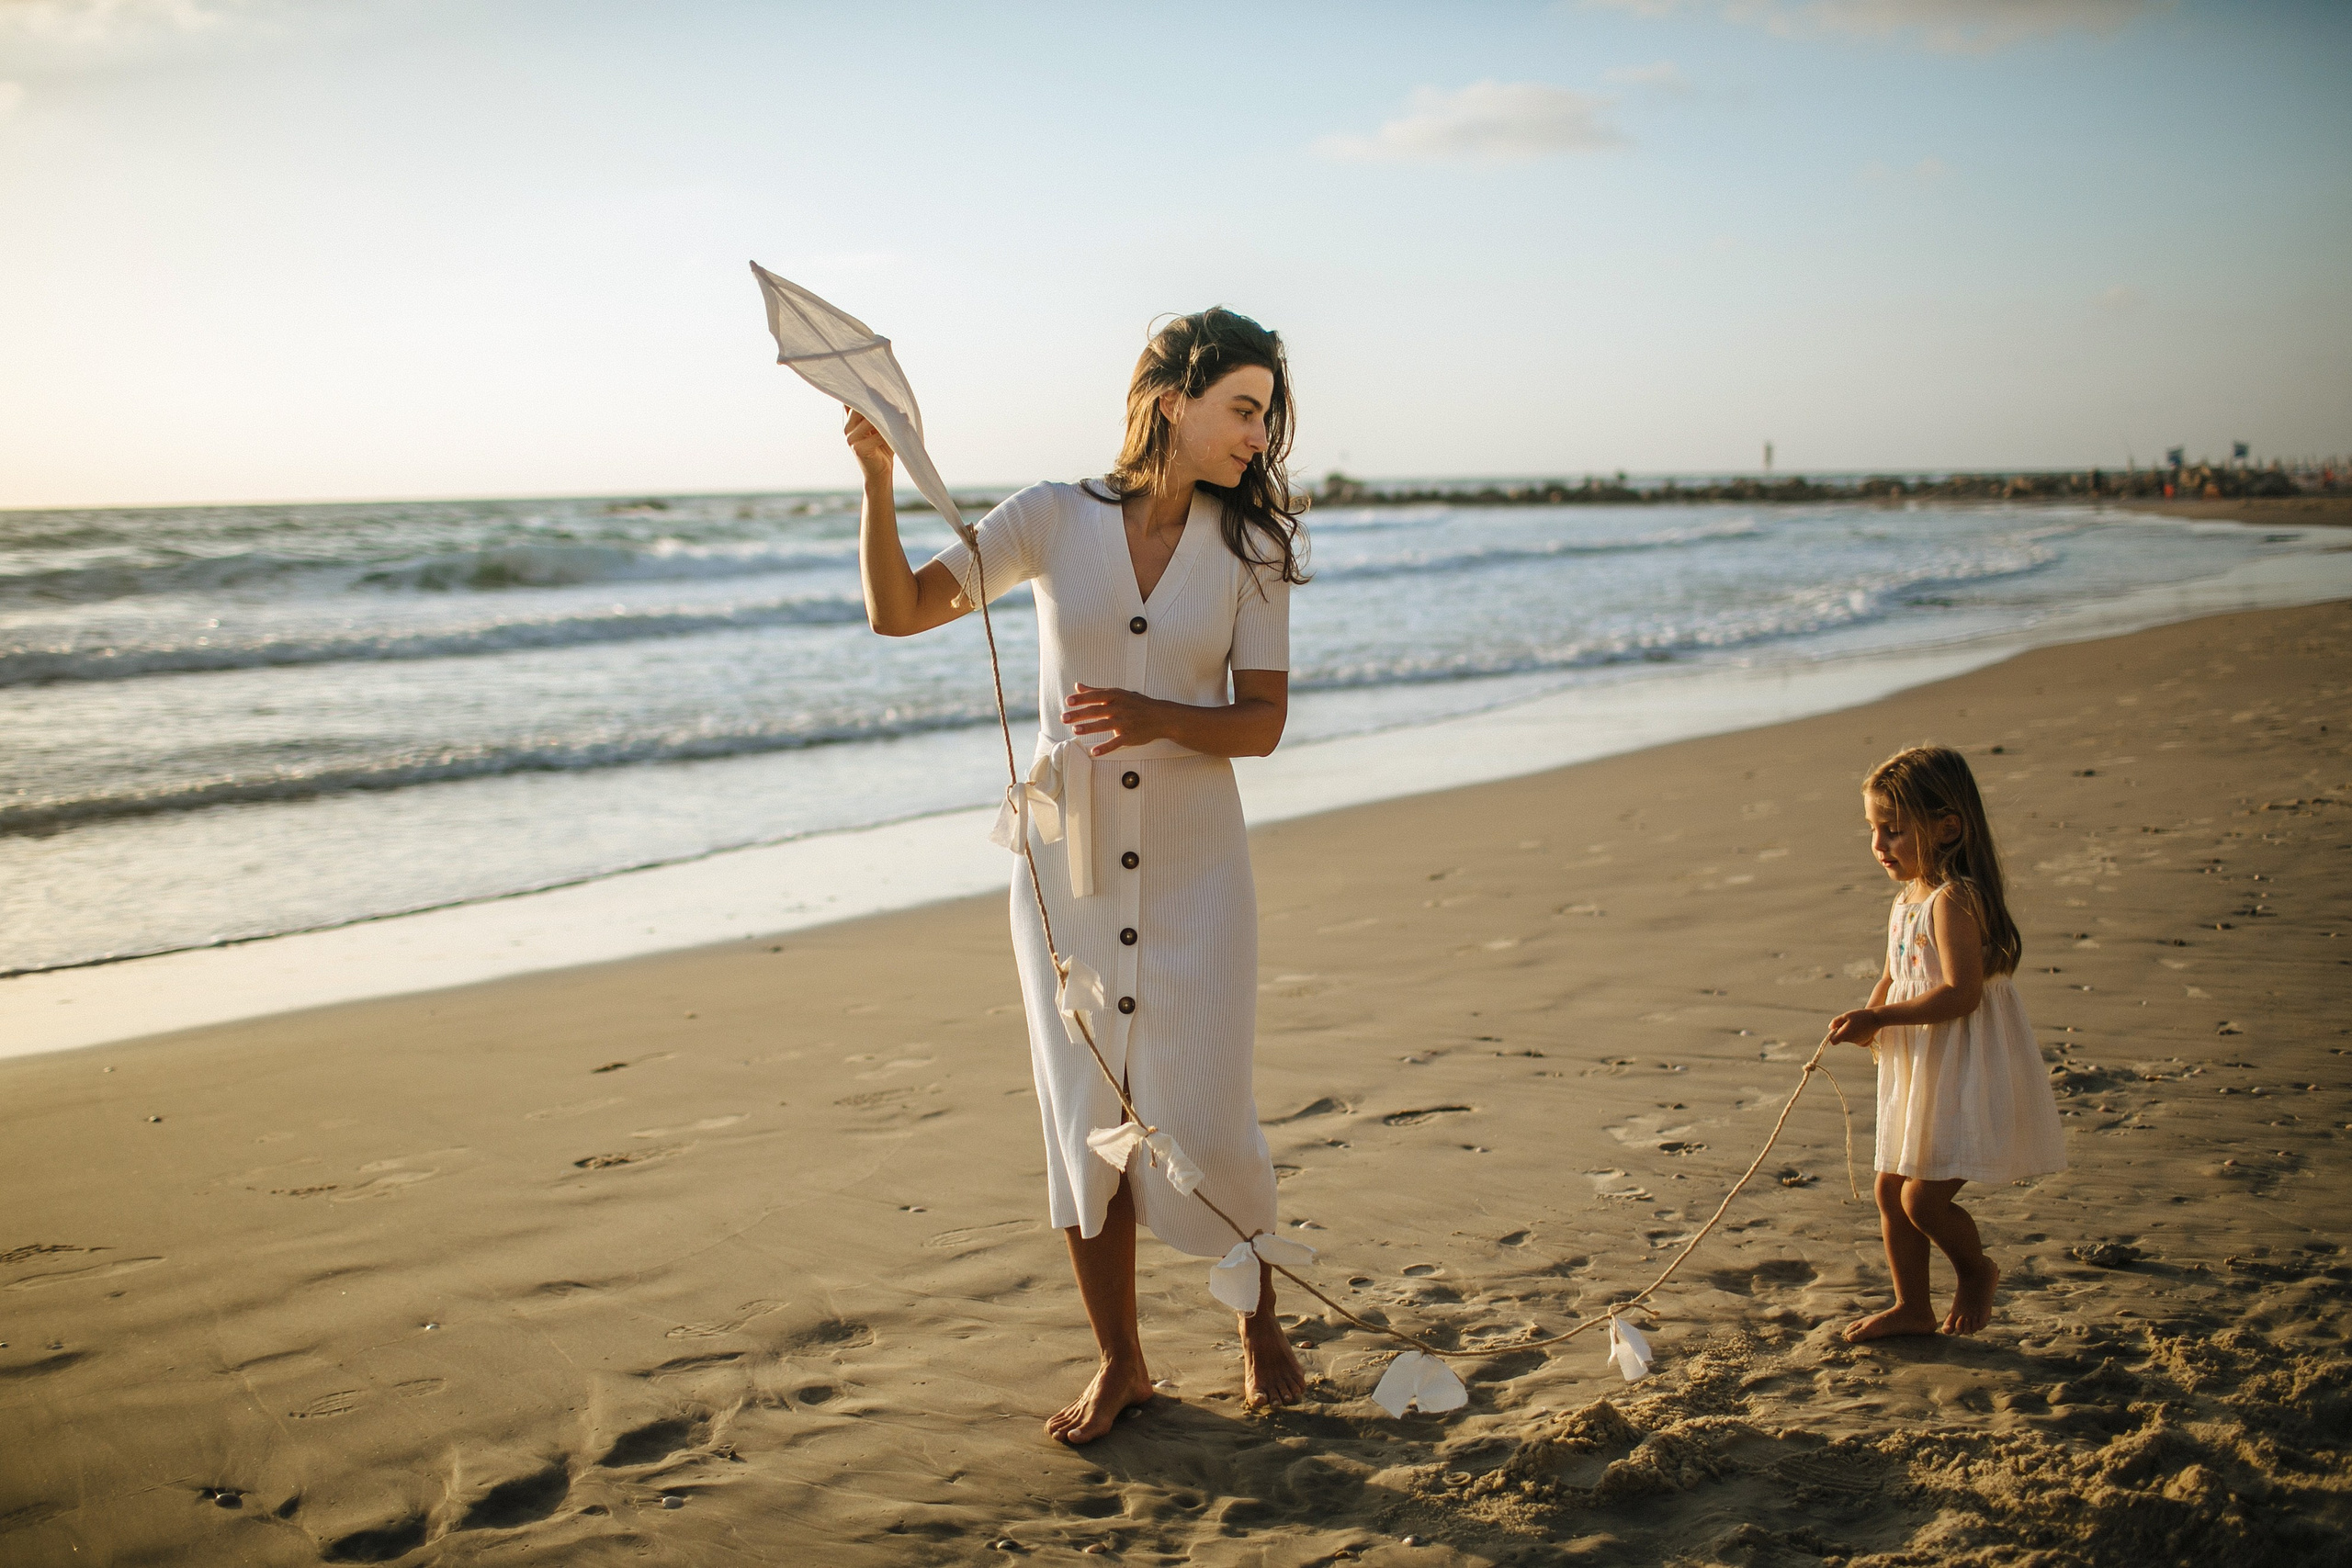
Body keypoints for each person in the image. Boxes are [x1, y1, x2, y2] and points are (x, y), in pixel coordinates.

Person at [843, 308, 1311, 1443]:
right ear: (1172, 401)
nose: (1260, 435)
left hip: (1201, 866)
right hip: (1070, 866)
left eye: (1265, 414)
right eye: (1241, 409)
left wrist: (1153, 714)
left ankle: (1257, 1322)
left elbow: (1261, 724)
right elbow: (899, 612)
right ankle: (1123, 1363)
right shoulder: (1051, 519)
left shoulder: (1251, 545)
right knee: (1081, 1107)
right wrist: (873, 482)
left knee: (1204, 1102)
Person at [1828, 745, 2066, 1340]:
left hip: (1964, 1063)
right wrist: (1869, 1013)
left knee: (1923, 1200)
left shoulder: (1953, 899)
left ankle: (1975, 1269)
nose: (1880, 844)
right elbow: (1894, 973)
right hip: (1921, 1063)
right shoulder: (1906, 898)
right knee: (1890, 1188)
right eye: (1874, 830)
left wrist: (1883, 1020)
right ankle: (1913, 1305)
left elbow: (1961, 994)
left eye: (1894, 829)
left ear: (1947, 827)